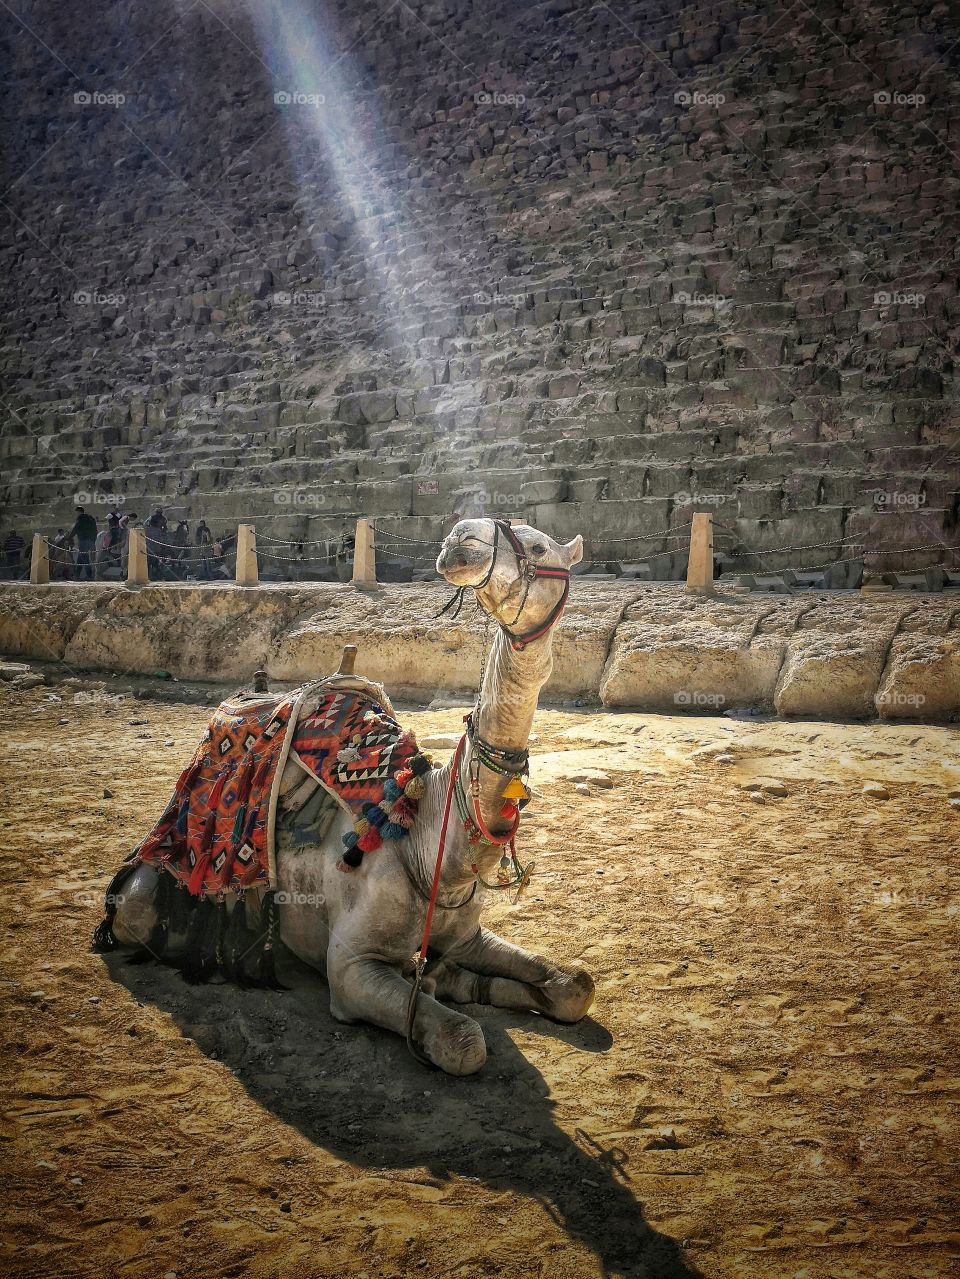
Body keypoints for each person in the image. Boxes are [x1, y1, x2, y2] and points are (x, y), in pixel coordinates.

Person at [68, 507, 97, 580]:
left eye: (76, 513)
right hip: (91, 541)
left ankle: (89, 575)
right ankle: (76, 575)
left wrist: (69, 537)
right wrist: (93, 540)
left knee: (84, 558)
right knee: (80, 558)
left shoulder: (80, 518)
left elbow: (75, 528)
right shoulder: (91, 518)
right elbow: (95, 529)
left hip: (83, 540)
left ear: (78, 512)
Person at [144, 506, 168, 579]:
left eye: (159, 512)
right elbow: (146, 524)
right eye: (157, 512)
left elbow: (164, 527)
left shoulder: (163, 519)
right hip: (153, 533)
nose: (158, 513)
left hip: (159, 534)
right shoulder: (152, 517)